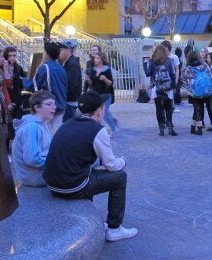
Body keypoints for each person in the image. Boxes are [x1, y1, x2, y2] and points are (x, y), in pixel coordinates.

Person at [43, 91, 137, 242]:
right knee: (120, 177)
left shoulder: (67, 124)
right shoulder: (97, 130)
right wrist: (123, 161)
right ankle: (114, 228)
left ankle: (90, 222)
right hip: (72, 186)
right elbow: (112, 165)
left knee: (90, 172)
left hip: (52, 184)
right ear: (99, 111)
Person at [11, 91, 55, 187]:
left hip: (39, 173)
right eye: (49, 104)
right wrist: (57, 161)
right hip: (34, 177)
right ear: (37, 107)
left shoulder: (42, 125)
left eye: (54, 104)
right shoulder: (32, 128)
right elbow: (33, 160)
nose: (54, 107)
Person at [34, 42, 68, 134]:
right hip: (61, 105)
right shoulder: (61, 69)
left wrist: (23, 81)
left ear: (47, 53)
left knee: (45, 133)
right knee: (56, 133)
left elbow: (35, 86)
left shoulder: (44, 68)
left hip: (48, 105)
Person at [143, 45, 177, 136]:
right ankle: (170, 129)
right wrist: (174, 87)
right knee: (169, 109)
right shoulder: (169, 60)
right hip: (168, 88)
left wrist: (144, 64)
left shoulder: (152, 61)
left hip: (156, 88)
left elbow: (148, 73)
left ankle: (161, 130)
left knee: (159, 109)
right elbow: (172, 75)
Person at [84, 52, 118, 135]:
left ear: (102, 60)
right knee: (96, 113)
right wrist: (88, 79)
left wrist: (105, 79)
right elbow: (91, 83)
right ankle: (100, 130)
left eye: (97, 58)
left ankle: (114, 129)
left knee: (105, 113)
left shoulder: (107, 69)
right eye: (95, 58)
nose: (95, 60)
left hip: (106, 95)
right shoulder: (93, 69)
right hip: (96, 95)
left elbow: (110, 83)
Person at [182, 49, 212, 135]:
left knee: (197, 108)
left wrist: (189, 88)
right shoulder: (205, 65)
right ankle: (192, 128)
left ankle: (199, 129)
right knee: (197, 109)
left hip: (193, 92)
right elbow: (210, 76)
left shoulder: (189, 68)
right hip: (205, 90)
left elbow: (184, 79)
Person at [3, 46, 26, 151]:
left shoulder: (18, 68)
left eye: (14, 55)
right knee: (7, 125)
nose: (12, 58)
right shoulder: (2, 68)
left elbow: (21, 86)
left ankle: (15, 147)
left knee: (17, 124)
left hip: (17, 99)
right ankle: (7, 146)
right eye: (10, 55)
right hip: (6, 99)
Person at [60, 39, 82, 122]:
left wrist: (63, 96)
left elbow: (71, 85)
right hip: (68, 102)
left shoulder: (72, 64)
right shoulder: (68, 63)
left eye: (62, 50)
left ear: (68, 51)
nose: (60, 52)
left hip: (70, 103)